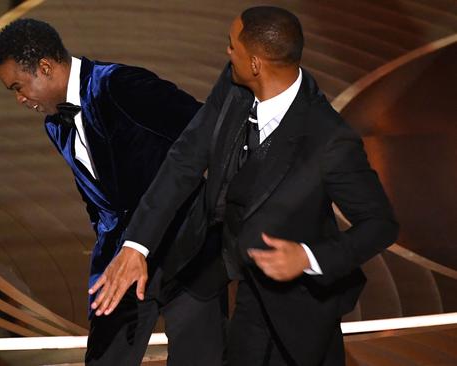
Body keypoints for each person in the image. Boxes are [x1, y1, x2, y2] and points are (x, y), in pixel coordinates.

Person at [90, 6, 399, 366]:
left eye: (231, 46)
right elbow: (185, 159)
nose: (227, 52)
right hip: (227, 265)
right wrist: (136, 246)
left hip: (297, 301)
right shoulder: (236, 83)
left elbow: (381, 224)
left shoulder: (329, 140)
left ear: (256, 63)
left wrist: (309, 258)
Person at [0, 18, 225, 366]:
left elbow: (207, 132)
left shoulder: (121, 86)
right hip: (120, 260)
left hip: (187, 249)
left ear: (44, 67)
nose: (20, 99)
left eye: (18, 87)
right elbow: (96, 198)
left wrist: (218, 212)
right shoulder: (55, 124)